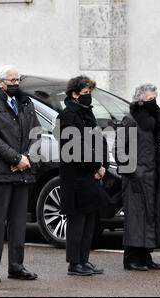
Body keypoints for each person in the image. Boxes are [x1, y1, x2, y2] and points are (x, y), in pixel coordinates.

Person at [0, 65, 40, 283]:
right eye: (12, 80)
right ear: (0, 83)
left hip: (23, 172)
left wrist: (27, 158)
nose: (16, 83)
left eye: (18, 79)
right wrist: (16, 159)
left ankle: (16, 266)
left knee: (18, 222)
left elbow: (36, 132)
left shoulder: (26, 103)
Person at [116, 84, 160, 271]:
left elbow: (154, 146)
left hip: (153, 174)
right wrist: (134, 173)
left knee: (150, 215)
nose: (154, 103)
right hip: (136, 177)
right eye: (150, 99)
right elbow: (120, 151)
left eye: (155, 98)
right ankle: (131, 258)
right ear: (140, 100)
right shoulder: (130, 120)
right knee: (135, 217)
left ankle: (146, 255)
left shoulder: (155, 118)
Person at [57, 75, 109, 276]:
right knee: (77, 222)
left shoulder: (87, 113)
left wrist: (102, 164)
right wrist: (96, 166)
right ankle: (74, 263)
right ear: (74, 94)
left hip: (91, 175)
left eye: (90, 93)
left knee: (89, 220)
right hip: (76, 176)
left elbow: (99, 140)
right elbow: (75, 149)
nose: (89, 97)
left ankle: (84, 260)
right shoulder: (68, 116)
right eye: (85, 93)